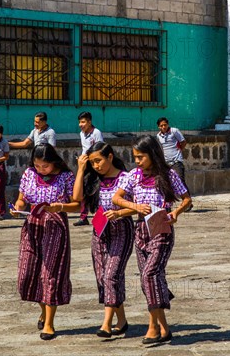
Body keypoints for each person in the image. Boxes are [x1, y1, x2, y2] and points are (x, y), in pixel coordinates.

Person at [112, 135, 191, 345]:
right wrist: (135, 207)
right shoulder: (133, 176)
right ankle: (164, 327)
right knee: (150, 279)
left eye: (141, 157)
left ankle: (152, 326)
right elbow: (116, 198)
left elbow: (186, 199)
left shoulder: (168, 175)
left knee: (150, 274)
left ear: (153, 154)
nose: (137, 161)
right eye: (135, 157)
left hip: (161, 228)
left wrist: (176, 214)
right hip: (140, 229)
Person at [10, 144, 79, 340]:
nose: (41, 169)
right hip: (32, 226)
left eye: (45, 166)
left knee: (50, 274)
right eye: (37, 165)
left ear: (54, 162)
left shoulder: (66, 177)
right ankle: (43, 309)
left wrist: (59, 207)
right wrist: (17, 207)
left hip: (55, 227)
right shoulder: (29, 173)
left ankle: (49, 323)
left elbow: (77, 204)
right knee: (28, 274)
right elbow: (22, 199)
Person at [72, 142, 135, 338]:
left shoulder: (127, 178)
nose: (96, 165)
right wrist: (82, 169)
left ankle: (106, 324)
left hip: (121, 229)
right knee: (103, 278)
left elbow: (139, 206)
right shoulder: (94, 179)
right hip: (100, 230)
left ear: (109, 157)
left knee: (111, 275)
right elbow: (76, 198)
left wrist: (120, 213)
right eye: (92, 162)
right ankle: (122, 320)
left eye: (98, 160)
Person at [73, 112, 104, 227]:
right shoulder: (82, 134)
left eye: (83, 122)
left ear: (89, 122)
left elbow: (100, 149)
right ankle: (83, 216)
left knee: (98, 190)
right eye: (79, 122)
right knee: (83, 189)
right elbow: (84, 148)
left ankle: (101, 215)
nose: (80, 124)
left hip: (95, 165)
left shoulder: (96, 133)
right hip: (85, 164)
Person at [156, 117, 192, 210]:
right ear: (159, 127)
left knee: (180, 180)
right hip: (166, 162)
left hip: (176, 161)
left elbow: (183, 142)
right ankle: (168, 204)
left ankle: (187, 201)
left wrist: (178, 151)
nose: (163, 127)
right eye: (161, 126)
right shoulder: (159, 136)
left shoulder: (174, 131)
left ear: (167, 124)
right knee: (166, 183)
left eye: (165, 125)